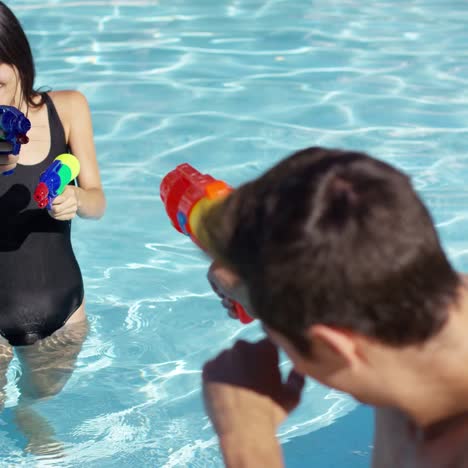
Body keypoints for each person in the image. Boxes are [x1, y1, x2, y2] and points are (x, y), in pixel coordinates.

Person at [201, 146, 468, 467]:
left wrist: (246, 441)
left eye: (283, 343)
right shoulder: (423, 291)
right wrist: (258, 283)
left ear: (334, 345)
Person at [0, 1, 105, 451]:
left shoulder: (70, 109)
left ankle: (25, 417)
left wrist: (77, 199)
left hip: (62, 305)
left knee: (41, 396)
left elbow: (99, 202)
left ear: (20, 62)